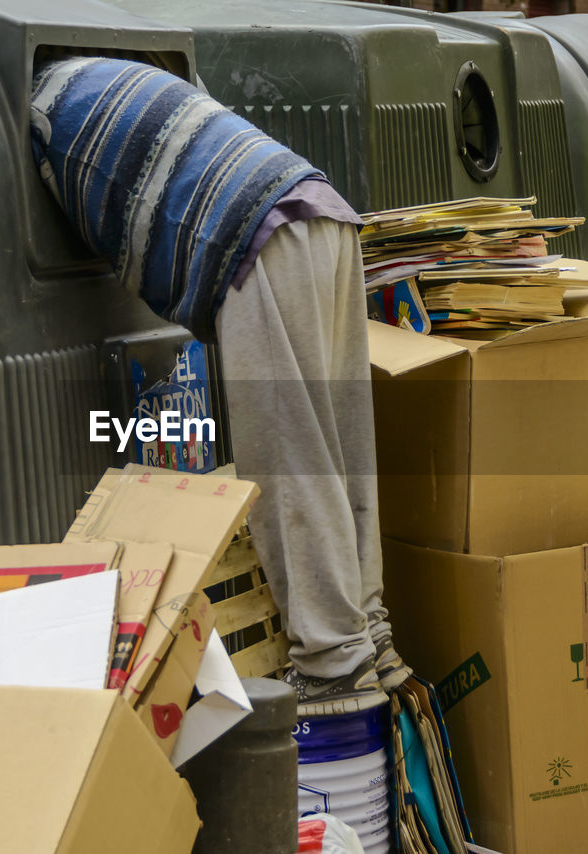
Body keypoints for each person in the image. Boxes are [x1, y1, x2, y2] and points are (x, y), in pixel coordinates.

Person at [30, 57, 408, 716]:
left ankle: (332, 667)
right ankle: (370, 639)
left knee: (289, 458)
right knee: (342, 449)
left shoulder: (34, 116)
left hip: (255, 236)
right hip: (319, 209)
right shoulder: (101, 70)